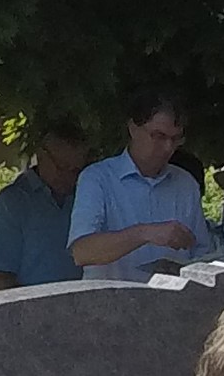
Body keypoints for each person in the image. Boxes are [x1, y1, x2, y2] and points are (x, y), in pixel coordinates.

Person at [68, 89, 209, 281]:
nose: (168, 147)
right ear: (133, 129)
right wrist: (144, 233)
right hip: (112, 299)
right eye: (158, 136)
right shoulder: (97, 178)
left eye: (175, 139)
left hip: (170, 298)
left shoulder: (186, 184)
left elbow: (202, 255)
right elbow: (82, 252)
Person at [0, 120, 90, 291]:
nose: (68, 176)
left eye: (76, 170)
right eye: (61, 167)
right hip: (30, 306)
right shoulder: (11, 205)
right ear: (41, 155)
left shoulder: (83, 199)